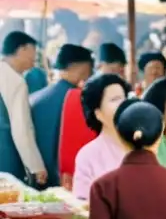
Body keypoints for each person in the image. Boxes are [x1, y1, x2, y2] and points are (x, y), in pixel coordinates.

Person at [57, 44, 130, 188]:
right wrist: (68, 170)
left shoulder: (76, 94)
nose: (120, 71)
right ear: (103, 65)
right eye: (117, 67)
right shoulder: (78, 95)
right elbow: (70, 135)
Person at [30, 44, 93, 187]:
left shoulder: (35, 98)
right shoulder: (81, 99)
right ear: (81, 66)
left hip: (37, 176)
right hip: (68, 180)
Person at [71, 74, 130, 200]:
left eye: (125, 98)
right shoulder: (88, 155)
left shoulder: (146, 144)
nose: (123, 104)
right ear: (98, 114)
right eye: (115, 100)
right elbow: (83, 204)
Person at [0, 32, 46, 185]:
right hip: (6, 155)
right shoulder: (16, 81)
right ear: (23, 49)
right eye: (33, 52)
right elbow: (22, 128)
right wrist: (36, 166)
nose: (34, 60)